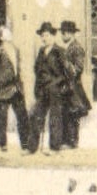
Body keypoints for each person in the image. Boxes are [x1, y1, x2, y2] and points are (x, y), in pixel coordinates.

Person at [0, 24, 30, 152]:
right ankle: (2, 144)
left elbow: (19, 68)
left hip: (16, 88)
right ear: (1, 37)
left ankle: (25, 144)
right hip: (3, 90)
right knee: (1, 118)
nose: (9, 33)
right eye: (6, 32)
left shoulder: (15, 49)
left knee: (22, 116)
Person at [28, 22, 68, 154]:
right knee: (36, 116)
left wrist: (55, 84)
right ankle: (32, 148)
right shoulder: (41, 51)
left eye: (46, 35)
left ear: (53, 36)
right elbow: (36, 69)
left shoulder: (59, 51)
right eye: (42, 36)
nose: (43, 38)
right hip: (42, 89)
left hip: (55, 90)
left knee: (55, 118)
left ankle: (54, 148)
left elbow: (66, 73)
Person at [58, 20, 91, 149]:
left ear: (70, 34)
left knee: (73, 114)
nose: (62, 36)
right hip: (67, 86)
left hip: (73, 87)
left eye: (64, 33)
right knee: (67, 113)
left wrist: (65, 64)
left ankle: (72, 142)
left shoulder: (76, 48)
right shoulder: (69, 47)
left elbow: (78, 68)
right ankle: (67, 141)